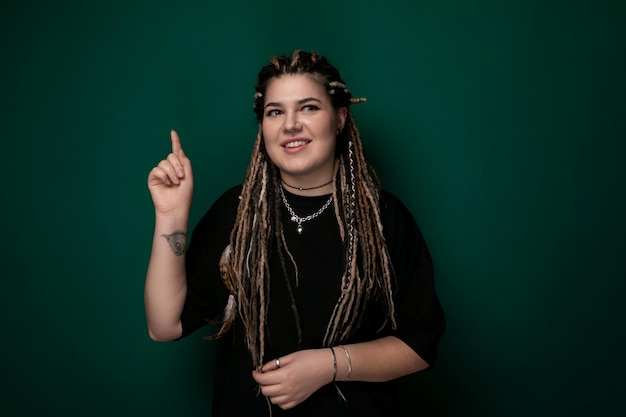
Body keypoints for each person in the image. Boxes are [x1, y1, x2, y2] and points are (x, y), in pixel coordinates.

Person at [145, 49, 445, 416]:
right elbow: (164, 325)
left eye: (308, 108)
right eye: (275, 112)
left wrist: (328, 365)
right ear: (264, 127)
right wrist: (171, 215)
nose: (290, 125)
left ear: (339, 118)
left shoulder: (383, 218)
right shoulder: (236, 212)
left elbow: (419, 346)